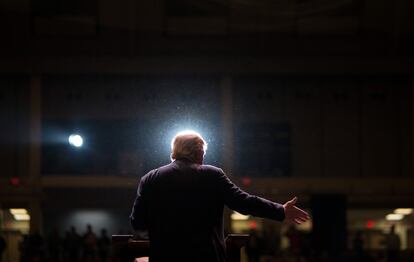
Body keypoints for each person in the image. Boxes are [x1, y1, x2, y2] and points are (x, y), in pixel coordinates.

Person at [130, 130, 310, 262]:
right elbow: (244, 203)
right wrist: (281, 211)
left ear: (174, 152)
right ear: (199, 152)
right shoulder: (212, 175)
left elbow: (137, 221)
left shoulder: (150, 178)